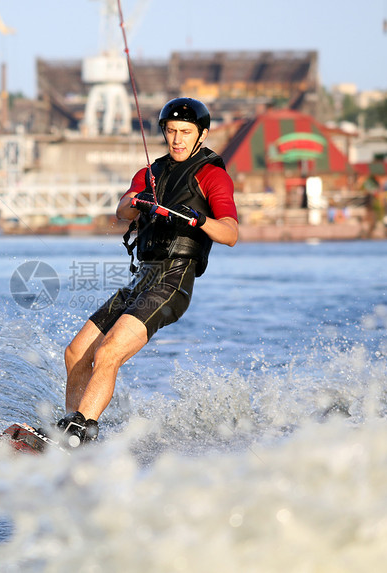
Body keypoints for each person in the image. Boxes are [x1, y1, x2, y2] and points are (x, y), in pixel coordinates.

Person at [50, 97, 239, 448]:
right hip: (142, 279)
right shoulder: (150, 173)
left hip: (173, 282)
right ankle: (72, 426)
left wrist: (198, 219)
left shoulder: (213, 176)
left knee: (108, 353)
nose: (177, 140)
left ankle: (80, 430)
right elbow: (122, 210)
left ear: (202, 134)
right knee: (76, 352)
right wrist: (139, 201)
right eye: (171, 132)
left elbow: (230, 233)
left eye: (185, 132)